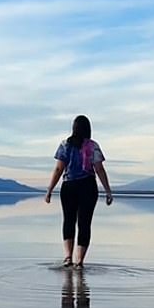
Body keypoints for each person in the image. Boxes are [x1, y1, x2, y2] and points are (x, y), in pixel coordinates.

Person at [45, 115, 113, 268]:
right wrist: (108, 191)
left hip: (68, 186)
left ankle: (68, 257)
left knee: (68, 221)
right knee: (84, 223)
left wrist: (50, 189)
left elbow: (58, 169)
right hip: (88, 187)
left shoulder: (65, 145)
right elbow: (100, 169)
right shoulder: (93, 146)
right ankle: (79, 262)